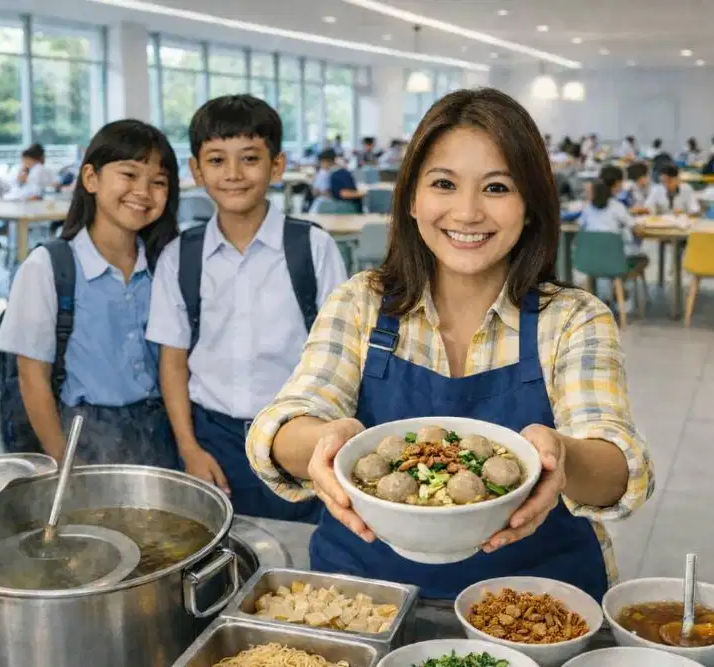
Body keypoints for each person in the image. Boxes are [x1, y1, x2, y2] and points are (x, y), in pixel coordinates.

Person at [245, 88, 654, 602]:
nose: (466, 212)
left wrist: (562, 457)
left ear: (530, 206)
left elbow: (620, 469)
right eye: (444, 183)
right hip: (365, 599)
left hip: (534, 602)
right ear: (412, 199)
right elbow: (284, 424)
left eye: (497, 187)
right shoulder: (361, 303)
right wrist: (326, 443)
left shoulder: (572, 318)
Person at [146, 94, 347, 522]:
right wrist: (189, 448)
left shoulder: (313, 248)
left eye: (250, 158)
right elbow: (173, 360)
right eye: (216, 160)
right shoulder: (180, 257)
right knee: (221, 549)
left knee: (304, 557)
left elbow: (342, 356)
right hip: (213, 438)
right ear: (196, 171)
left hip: (297, 435)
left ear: (277, 165)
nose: (233, 174)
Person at [0, 119, 180, 466]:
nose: (143, 191)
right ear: (91, 178)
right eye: (129, 174)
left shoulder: (164, 266)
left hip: (159, 431)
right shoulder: (49, 267)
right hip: (84, 436)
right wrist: (63, 462)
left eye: (158, 182)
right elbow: (32, 379)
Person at [580, 166, 648, 273]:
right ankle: (618, 286)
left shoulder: (588, 206)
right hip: (615, 260)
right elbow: (636, 228)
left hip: (589, 259)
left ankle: (599, 286)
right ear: (617, 183)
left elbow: (581, 226)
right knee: (642, 258)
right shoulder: (617, 206)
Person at [313, 148, 365, 212]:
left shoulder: (336, 174)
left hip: (341, 207)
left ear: (326, 161)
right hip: (343, 207)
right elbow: (344, 193)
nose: (320, 165)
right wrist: (364, 193)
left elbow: (344, 193)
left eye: (320, 162)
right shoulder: (335, 173)